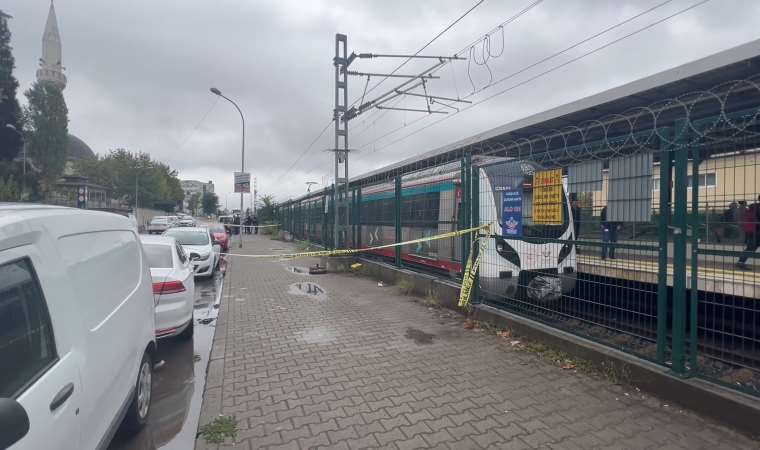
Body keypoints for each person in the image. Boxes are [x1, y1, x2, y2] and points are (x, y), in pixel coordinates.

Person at [737, 195, 760, 270]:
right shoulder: (756, 208)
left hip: (752, 230)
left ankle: (741, 262)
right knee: (751, 247)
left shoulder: (753, 206)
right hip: (756, 230)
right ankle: (740, 262)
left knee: (750, 247)